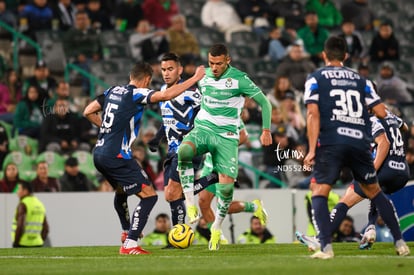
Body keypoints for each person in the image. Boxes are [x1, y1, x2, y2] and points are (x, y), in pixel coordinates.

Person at [301, 35, 409, 259]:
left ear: (324, 55)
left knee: (319, 191)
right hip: (359, 143)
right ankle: (400, 242)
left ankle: (326, 247)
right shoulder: (362, 80)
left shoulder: (315, 78)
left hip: (332, 141)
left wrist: (311, 150)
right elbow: (381, 112)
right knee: (375, 193)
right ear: (346, 56)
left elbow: (312, 114)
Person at [83, 61, 205, 255]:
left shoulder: (112, 91)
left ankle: (126, 232)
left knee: (122, 190)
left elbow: (88, 111)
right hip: (117, 155)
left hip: (99, 152)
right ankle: (130, 243)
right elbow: (166, 94)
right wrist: (195, 78)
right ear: (147, 79)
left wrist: (107, 130)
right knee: (149, 196)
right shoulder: (136, 93)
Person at [177, 43, 272, 251]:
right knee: (201, 198)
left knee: (225, 193)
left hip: (225, 142)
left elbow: (262, 108)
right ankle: (202, 219)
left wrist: (266, 130)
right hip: (205, 137)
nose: (215, 67)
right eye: (212, 63)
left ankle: (243, 212)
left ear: (227, 60)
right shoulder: (203, 76)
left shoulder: (239, 80)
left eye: (219, 63)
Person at [148, 52, 219, 226]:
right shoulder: (164, 92)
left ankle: (178, 233)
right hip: (172, 148)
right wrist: (157, 138)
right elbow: (168, 120)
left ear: (179, 70)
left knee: (173, 193)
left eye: (170, 69)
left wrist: (192, 132)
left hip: (188, 147)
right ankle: (211, 178)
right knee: (170, 195)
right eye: (163, 69)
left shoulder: (191, 92)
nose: (166, 73)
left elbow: (206, 115)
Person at [11, 181, 49, 247]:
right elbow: (46, 227)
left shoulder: (23, 204)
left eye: (19, 189)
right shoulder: (39, 204)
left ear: (25, 191)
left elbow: (20, 225)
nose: (17, 191)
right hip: (38, 243)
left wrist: (16, 242)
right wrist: (40, 240)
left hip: (23, 243)